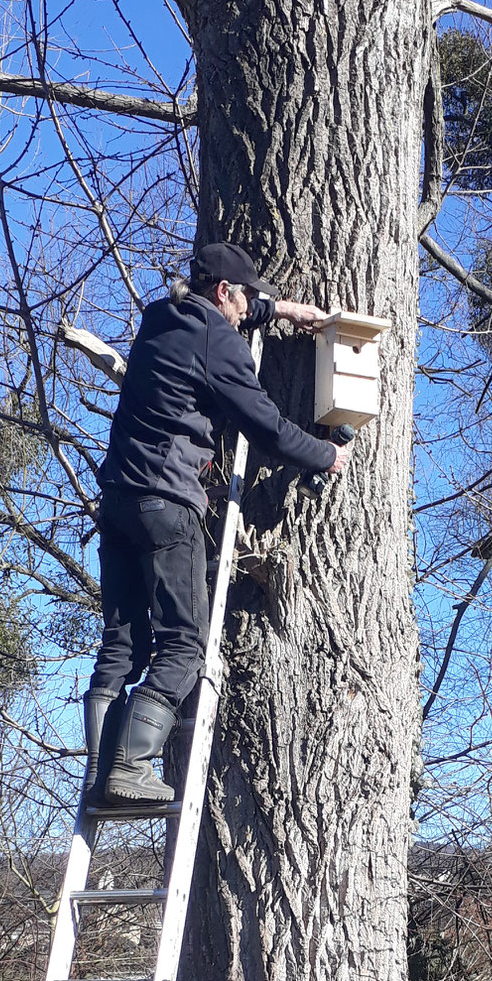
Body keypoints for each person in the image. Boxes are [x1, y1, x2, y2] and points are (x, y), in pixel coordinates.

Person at [86, 240, 349, 807]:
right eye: (244, 298)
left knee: (122, 643)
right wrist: (326, 456)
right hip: (167, 501)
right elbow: (269, 429)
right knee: (184, 645)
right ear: (223, 292)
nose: (246, 308)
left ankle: (100, 774)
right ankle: (130, 766)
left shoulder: (161, 317)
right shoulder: (219, 340)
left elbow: (227, 314)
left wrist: (281, 310)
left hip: (117, 500)